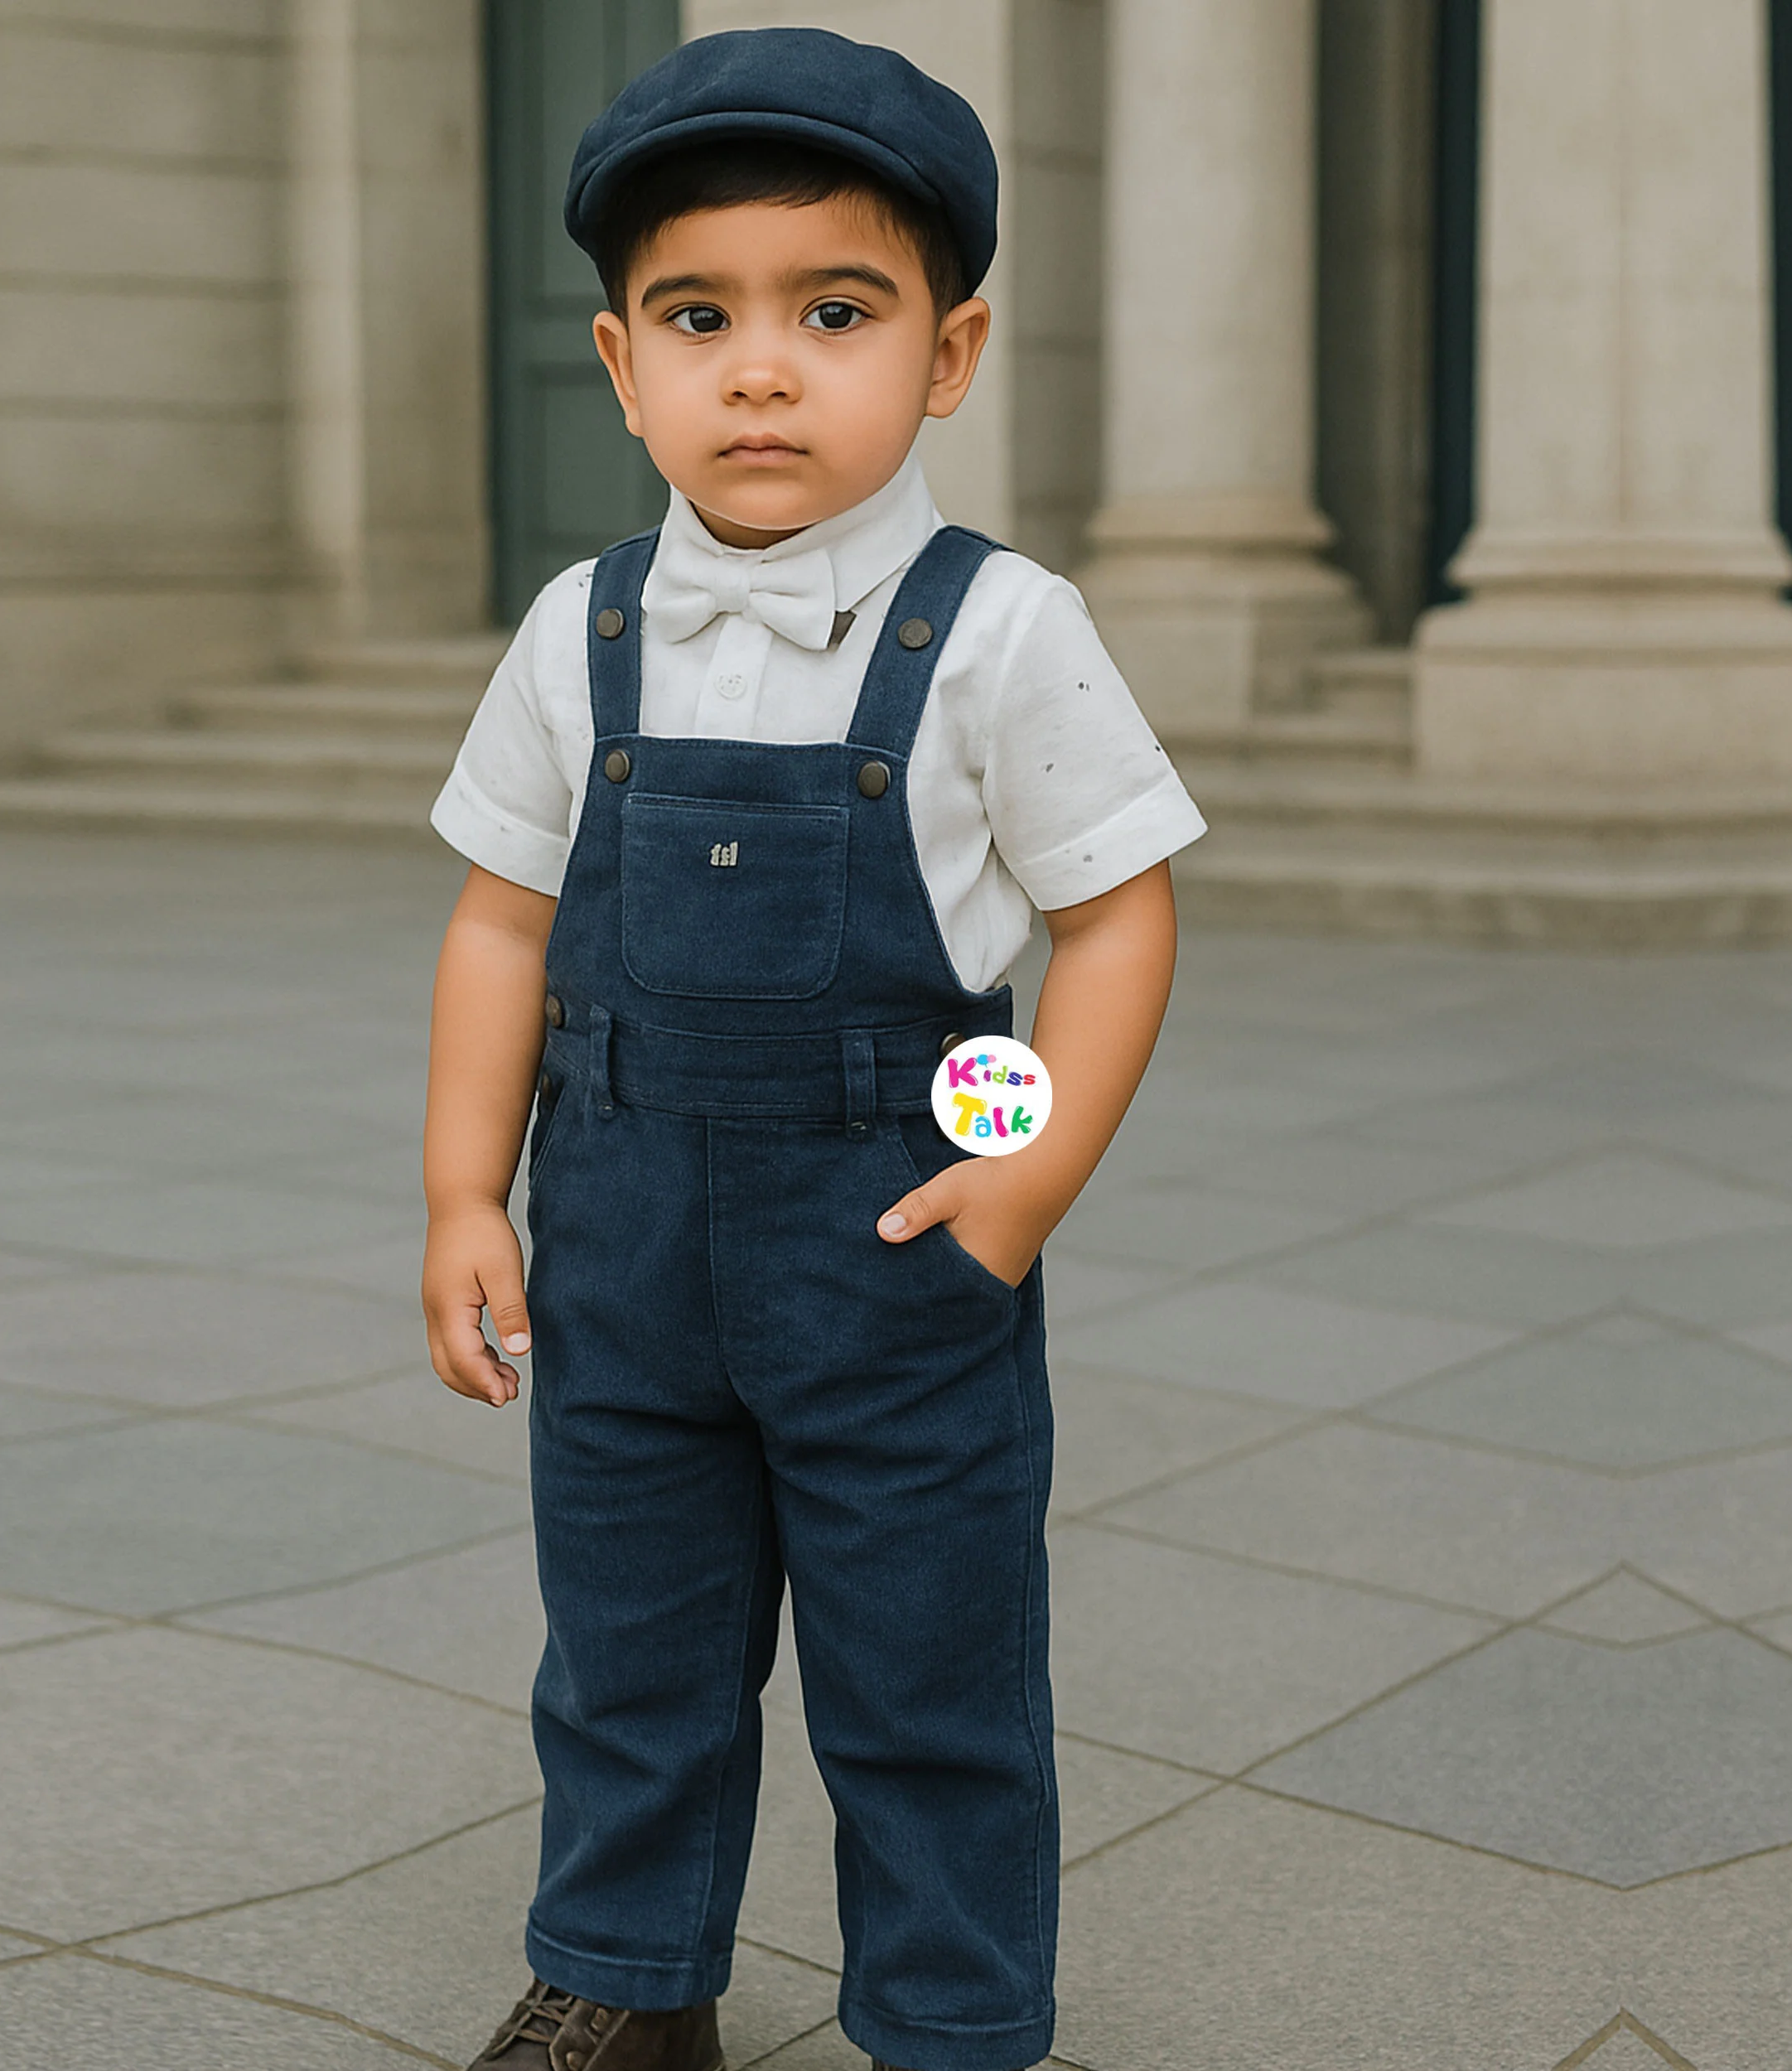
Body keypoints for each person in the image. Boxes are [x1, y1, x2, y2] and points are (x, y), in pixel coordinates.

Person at [422, 27, 1205, 2071]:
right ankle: (623, 1972)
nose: (758, 368)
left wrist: (1020, 1180)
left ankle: (947, 2016)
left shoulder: (1002, 627)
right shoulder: (573, 627)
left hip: (887, 1242)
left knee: (922, 1662)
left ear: (943, 357)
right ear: (618, 362)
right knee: (624, 1649)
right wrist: (458, 1191)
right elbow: (504, 916)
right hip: (612, 1237)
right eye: (700, 316)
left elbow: (1109, 912)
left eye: (830, 312)